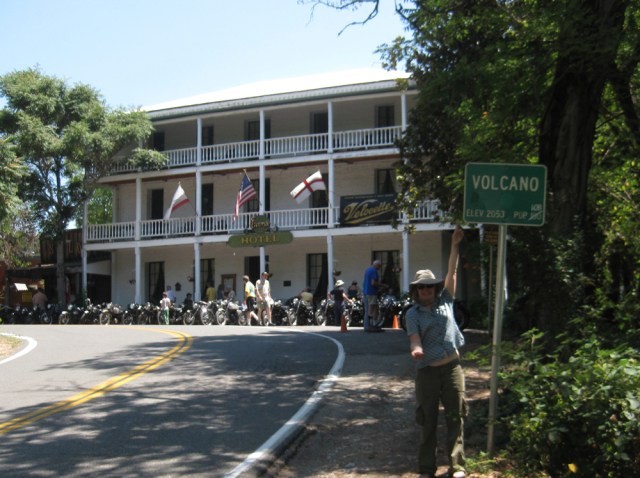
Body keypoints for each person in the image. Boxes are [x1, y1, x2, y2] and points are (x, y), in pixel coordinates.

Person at [405, 226, 466, 478]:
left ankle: (458, 465)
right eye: (422, 288)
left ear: (434, 287)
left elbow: (451, 271)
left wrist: (454, 245)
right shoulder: (412, 314)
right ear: (417, 291)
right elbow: (414, 339)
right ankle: (427, 469)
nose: (426, 290)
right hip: (428, 372)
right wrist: (417, 349)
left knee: (456, 417)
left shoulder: (446, 300)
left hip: (452, 368)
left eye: (429, 286)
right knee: (428, 422)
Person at [362, 259, 383, 332]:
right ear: (377, 265)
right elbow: (373, 283)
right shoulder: (374, 271)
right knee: (372, 307)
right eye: (379, 266)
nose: (379, 268)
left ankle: (373, 325)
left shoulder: (368, 270)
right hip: (371, 292)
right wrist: (382, 285)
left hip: (366, 291)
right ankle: (370, 325)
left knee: (374, 308)